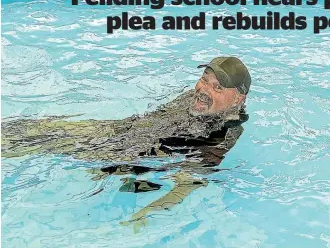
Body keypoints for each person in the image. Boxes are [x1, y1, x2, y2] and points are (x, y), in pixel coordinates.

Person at [2, 56, 251, 226]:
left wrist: (146, 214)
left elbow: (188, 182)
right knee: (40, 127)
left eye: (217, 88)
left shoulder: (224, 133)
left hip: (126, 151)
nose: (203, 89)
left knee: (41, 142)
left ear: (238, 99)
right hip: (121, 130)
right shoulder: (194, 98)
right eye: (204, 79)